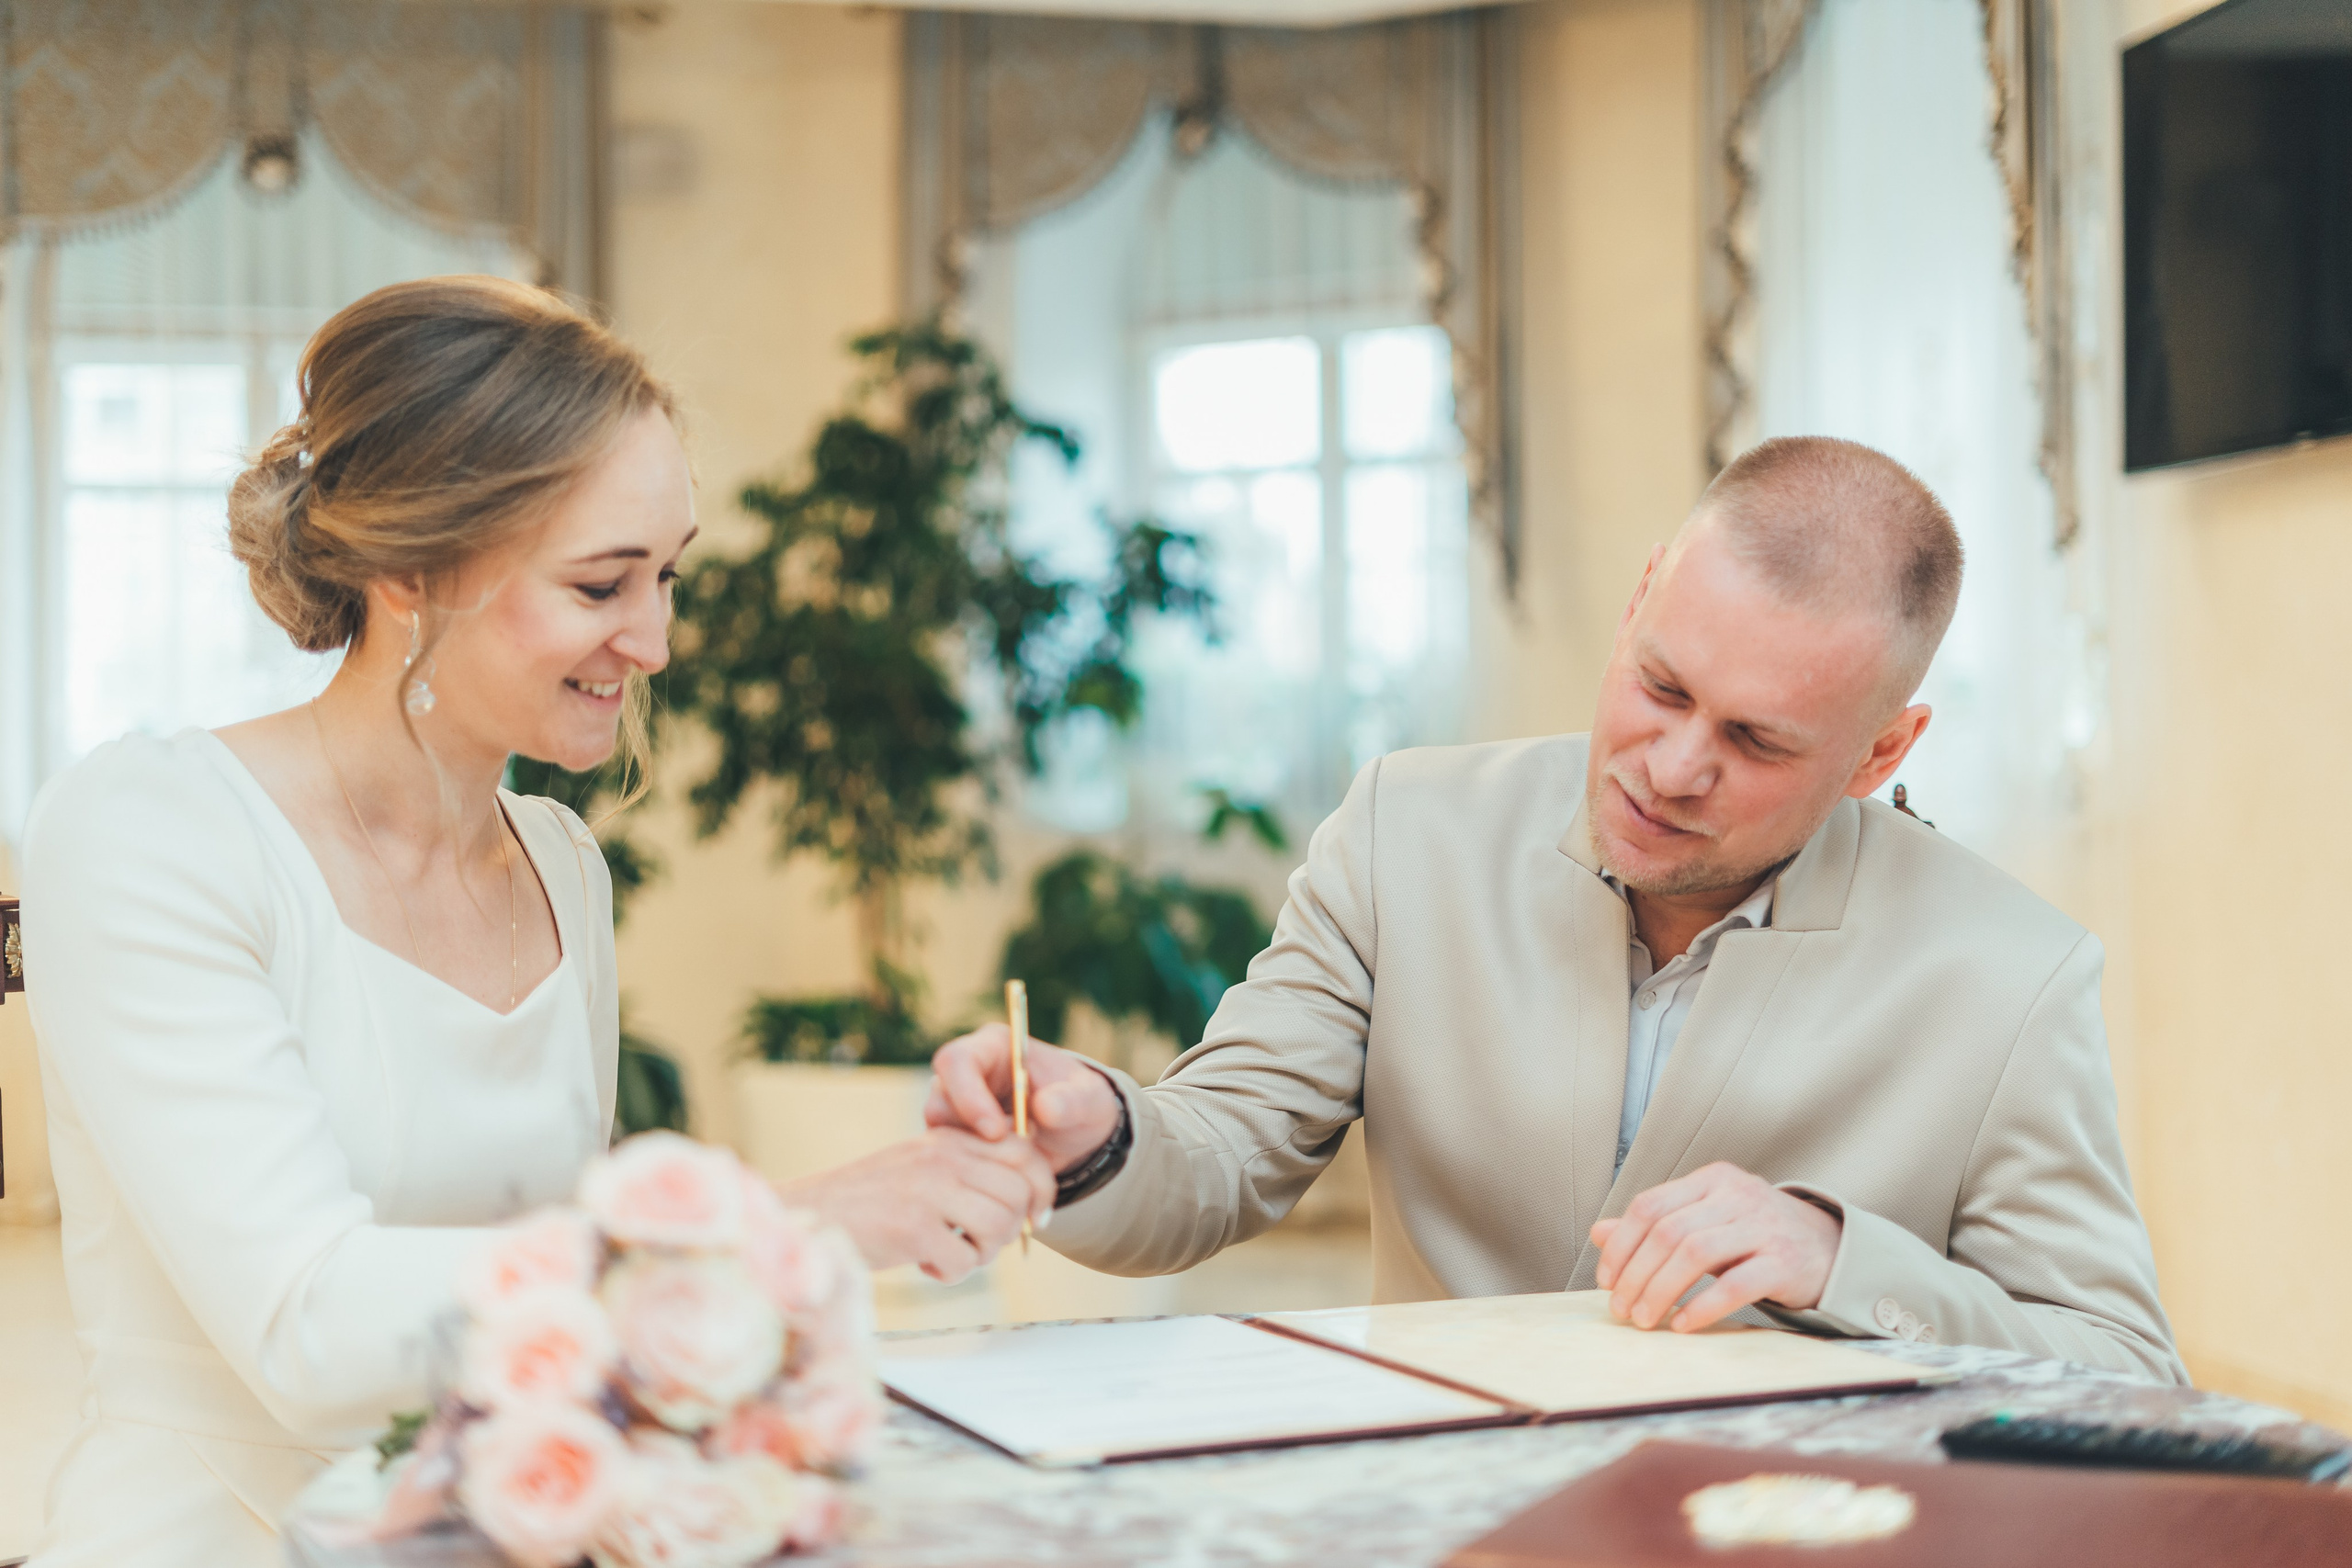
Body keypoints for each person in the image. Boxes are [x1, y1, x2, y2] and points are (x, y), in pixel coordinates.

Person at [19, 276, 1053, 1567]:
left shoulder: (564, 865)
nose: (658, 640)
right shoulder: (152, 828)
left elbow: (560, 1313)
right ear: (412, 568)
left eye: (668, 577)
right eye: (603, 583)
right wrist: (793, 1228)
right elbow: (308, 1331)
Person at [930, 435, 2184, 1384]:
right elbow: (1219, 1160)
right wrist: (1097, 1134)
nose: (1672, 765)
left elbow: (2130, 1377)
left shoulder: (2016, 976)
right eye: (1660, 685)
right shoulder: (1400, 831)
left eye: (1754, 739)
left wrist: (1840, 1260)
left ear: (1879, 751)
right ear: (1641, 597)